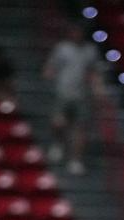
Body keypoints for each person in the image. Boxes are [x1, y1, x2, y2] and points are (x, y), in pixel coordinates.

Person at [44, 23, 102, 175]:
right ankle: (58, 144)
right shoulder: (62, 48)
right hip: (63, 93)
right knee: (58, 123)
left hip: (82, 95)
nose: (77, 35)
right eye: (75, 32)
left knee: (80, 129)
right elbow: (51, 67)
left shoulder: (90, 50)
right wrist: (49, 74)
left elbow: (93, 72)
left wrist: (97, 90)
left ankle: (75, 160)